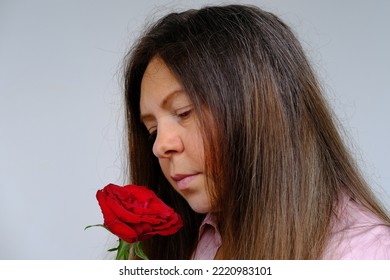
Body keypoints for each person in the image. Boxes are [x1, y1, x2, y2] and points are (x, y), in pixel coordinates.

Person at [123, 4, 390, 259]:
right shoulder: (196, 237)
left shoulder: (365, 255)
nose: (159, 147)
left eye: (183, 112)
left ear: (260, 109)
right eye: (152, 130)